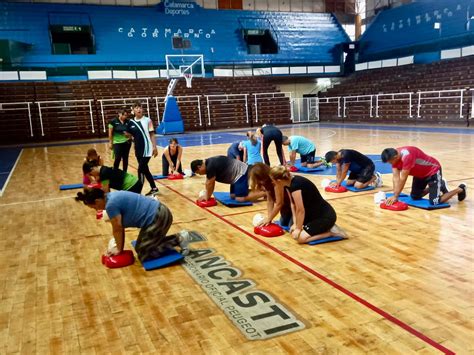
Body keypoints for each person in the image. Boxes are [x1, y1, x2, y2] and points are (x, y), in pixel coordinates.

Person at [75, 189, 192, 262]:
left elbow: (118, 229)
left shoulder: (111, 205)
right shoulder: (110, 197)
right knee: (140, 248)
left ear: (97, 200)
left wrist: (119, 251)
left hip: (159, 217)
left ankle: (179, 239)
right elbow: (119, 229)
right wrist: (119, 247)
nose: (96, 210)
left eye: (94, 207)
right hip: (157, 216)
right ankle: (170, 240)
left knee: (144, 254)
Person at [269, 166, 345, 243]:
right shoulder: (288, 183)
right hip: (312, 214)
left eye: (272, 181)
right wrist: (295, 223)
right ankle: (326, 228)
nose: (272, 182)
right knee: (292, 229)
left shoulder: (296, 186)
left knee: (300, 239)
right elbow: (293, 204)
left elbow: (300, 210)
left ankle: (332, 233)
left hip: (324, 216)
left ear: (278, 180)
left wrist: (298, 228)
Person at [381, 147, 466, 205]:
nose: (390, 164)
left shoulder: (407, 156)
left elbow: (403, 178)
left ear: (395, 157)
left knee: (434, 201)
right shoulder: (393, 157)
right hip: (419, 175)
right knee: (415, 196)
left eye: (390, 162)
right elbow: (396, 177)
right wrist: (395, 195)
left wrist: (396, 196)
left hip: (433, 171)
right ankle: (441, 185)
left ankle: (460, 189)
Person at [191, 156, 265, 202]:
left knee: (240, 198)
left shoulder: (210, 166)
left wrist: (207, 196)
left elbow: (210, 183)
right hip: (235, 177)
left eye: (198, 172)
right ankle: (262, 190)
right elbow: (208, 182)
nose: (200, 174)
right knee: (233, 196)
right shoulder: (209, 163)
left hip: (242, 174)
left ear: (199, 167)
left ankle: (267, 193)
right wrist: (207, 194)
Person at [127, 101, 159, 196]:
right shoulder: (131, 122)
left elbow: (152, 134)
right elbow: (130, 135)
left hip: (147, 148)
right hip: (138, 149)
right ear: (133, 110)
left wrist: (155, 147)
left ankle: (138, 192)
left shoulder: (148, 120)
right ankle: (154, 188)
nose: (139, 109)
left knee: (140, 169)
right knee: (145, 169)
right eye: (136, 107)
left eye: (140, 107)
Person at [249, 163, 292, 227]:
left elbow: (279, 203)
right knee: (283, 223)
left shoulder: (275, 180)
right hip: (286, 206)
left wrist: (269, 219)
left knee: (290, 226)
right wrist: (270, 218)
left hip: (294, 204)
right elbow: (270, 200)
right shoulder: (265, 183)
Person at [108, 106, 131, 172]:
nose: (125, 117)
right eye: (124, 115)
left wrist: (128, 135)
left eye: (126, 115)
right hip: (117, 143)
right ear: (119, 114)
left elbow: (131, 133)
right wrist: (110, 142)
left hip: (127, 143)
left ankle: (124, 174)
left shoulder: (128, 121)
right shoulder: (113, 121)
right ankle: (115, 172)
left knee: (125, 159)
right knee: (117, 158)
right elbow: (110, 133)